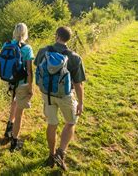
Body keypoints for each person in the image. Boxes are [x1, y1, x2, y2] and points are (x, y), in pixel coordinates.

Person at [34, 26, 86, 171]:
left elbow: (39, 69)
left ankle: (51, 155)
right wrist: (80, 103)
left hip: (47, 94)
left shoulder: (43, 51)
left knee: (52, 124)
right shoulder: (75, 57)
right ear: (68, 39)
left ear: (56, 36)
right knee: (70, 122)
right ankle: (61, 153)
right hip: (65, 96)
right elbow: (78, 84)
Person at [0, 23, 35, 152]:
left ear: (14, 32)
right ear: (25, 33)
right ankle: (14, 142)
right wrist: (30, 87)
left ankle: (8, 130)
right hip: (21, 83)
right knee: (20, 113)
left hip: (11, 80)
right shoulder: (27, 48)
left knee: (13, 103)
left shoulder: (7, 45)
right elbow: (29, 71)